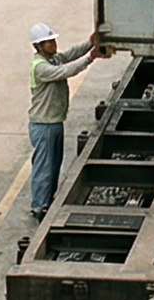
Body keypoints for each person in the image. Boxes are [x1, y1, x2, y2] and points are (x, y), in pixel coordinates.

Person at [25, 23, 108, 220]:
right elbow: (66, 71)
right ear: (38, 46)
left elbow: (70, 54)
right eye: (49, 42)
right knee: (44, 167)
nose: (54, 44)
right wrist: (90, 58)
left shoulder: (52, 59)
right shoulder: (41, 68)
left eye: (53, 40)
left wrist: (89, 43)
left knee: (53, 165)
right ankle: (39, 205)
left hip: (53, 122)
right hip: (43, 125)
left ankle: (46, 201)